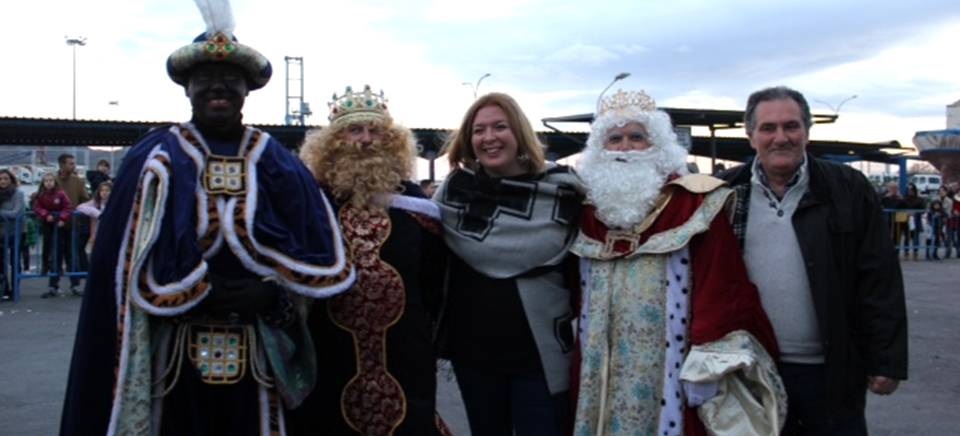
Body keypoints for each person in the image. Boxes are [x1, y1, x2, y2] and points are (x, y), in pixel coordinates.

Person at [59, 3, 355, 435]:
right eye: (206, 77)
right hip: (174, 357)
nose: (218, 86)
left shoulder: (278, 161)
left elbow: (317, 254)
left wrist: (273, 295)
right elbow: (119, 265)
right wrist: (195, 291)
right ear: (187, 88)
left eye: (231, 78)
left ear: (247, 89)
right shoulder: (155, 156)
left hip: (258, 355)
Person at [571, 89, 784, 435]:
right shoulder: (585, 213)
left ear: (657, 145)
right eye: (614, 139)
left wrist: (709, 362)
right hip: (599, 367)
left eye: (637, 137)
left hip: (675, 368)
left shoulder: (695, 204)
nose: (625, 147)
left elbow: (722, 286)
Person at [719, 86, 908, 435]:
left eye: (791, 126)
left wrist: (887, 360)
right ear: (751, 136)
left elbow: (879, 276)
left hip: (832, 373)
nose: (781, 138)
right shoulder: (723, 193)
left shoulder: (848, 188)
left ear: (807, 132)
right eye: (768, 128)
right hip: (748, 370)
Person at [289, 85, 450, 435]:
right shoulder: (312, 203)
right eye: (354, 130)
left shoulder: (414, 204)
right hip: (329, 345)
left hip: (405, 347)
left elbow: (436, 278)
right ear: (334, 142)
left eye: (374, 131)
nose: (365, 139)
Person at [433, 93, 583, 435]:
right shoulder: (454, 193)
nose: (489, 137)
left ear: (519, 132)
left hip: (540, 354)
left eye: (500, 127)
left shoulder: (563, 191)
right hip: (474, 353)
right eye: (479, 130)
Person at [33, 172, 74, 298]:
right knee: (47, 246)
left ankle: (65, 276)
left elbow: (68, 207)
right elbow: (37, 207)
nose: (49, 183)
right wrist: (46, 215)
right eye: (46, 181)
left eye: (51, 180)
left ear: (55, 182)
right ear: (43, 183)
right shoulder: (41, 195)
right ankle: (45, 268)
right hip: (47, 224)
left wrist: (62, 218)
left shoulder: (61, 194)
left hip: (60, 225)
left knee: (60, 249)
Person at [0, 169, 24, 301]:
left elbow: (16, 212)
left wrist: (1, 213)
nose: (3, 181)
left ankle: (15, 289)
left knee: (15, 262)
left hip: (15, 231)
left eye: (6, 178)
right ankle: (4, 289)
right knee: (1, 262)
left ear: (11, 180)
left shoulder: (17, 193)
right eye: (0, 179)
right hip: (1, 232)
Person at [75, 181, 112, 255]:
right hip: (97, 234)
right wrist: (97, 213)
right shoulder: (95, 202)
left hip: (110, 233)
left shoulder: (114, 203)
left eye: (107, 190)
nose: (104, 192)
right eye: (102, 190)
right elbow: (80, 207)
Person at [901, 183, 926, 260]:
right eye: (909, 190)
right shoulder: (904, 199)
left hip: (916, 220)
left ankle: (915, 253)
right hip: (906, 220)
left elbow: (923, 209)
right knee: (907, 237)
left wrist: (915, 212)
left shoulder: (920, 200)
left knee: (916, 237)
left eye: (912, 190)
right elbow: (900, 208)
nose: (910, 191)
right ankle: (906, 252)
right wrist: (906, 212)